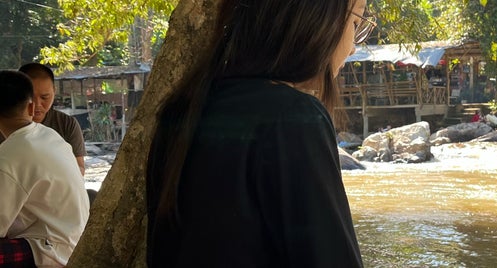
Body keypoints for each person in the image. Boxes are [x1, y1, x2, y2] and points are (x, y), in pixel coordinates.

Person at [145, 1, 369, 267]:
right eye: (356, 23)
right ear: (315, 15)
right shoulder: (292, 117)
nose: (354, 46)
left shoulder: (181, 111)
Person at [0, 70, 90, 267]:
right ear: (31, 108)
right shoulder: (49, 136)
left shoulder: (9, 157)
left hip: (51, 249)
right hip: (75, 239)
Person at [0, 63, 87, 175]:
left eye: (45, 97)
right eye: (31, 97)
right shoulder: (4, 122)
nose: (37, 104)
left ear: (54, 92)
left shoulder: (66, 124)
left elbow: (79, 169)